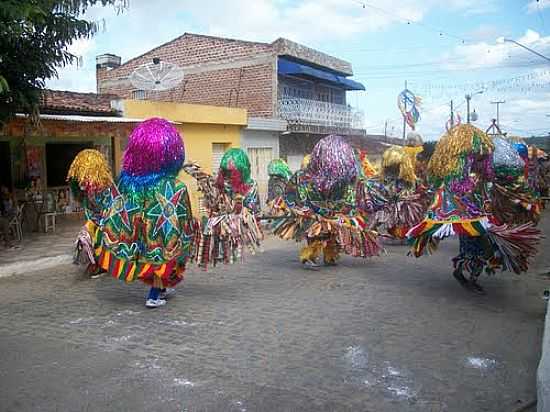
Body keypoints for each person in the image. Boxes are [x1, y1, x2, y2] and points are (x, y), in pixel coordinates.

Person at [68, 118, 196, 308]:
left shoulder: (126, 184)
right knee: (163, 260)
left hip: (141, 238)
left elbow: (118, 209)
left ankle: (161, 289)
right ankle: (153, 296)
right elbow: (182, 218)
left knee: (155, 261)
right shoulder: (175, 186)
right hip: (162, 237)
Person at [407, 124, 542, 294]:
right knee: (478, 246)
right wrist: (474, 182)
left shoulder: (476, 170)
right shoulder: (456, 174)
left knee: (483, 246)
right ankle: (468, 276)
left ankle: (467, 274)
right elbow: (458, 189)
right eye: (477, 155)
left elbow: (485, 183)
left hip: (477, 214)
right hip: (466, 217)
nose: (481, 157)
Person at [273, 135, 381, 269]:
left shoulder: (345, 179)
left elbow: (349, 197)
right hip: (313, 215)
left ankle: (330, 255)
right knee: (317, 234)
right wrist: (300, 209)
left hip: (332, 215)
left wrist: (349, 213)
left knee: (332, 233)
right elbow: (291, 195)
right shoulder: (302, 177)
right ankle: (310, 255)